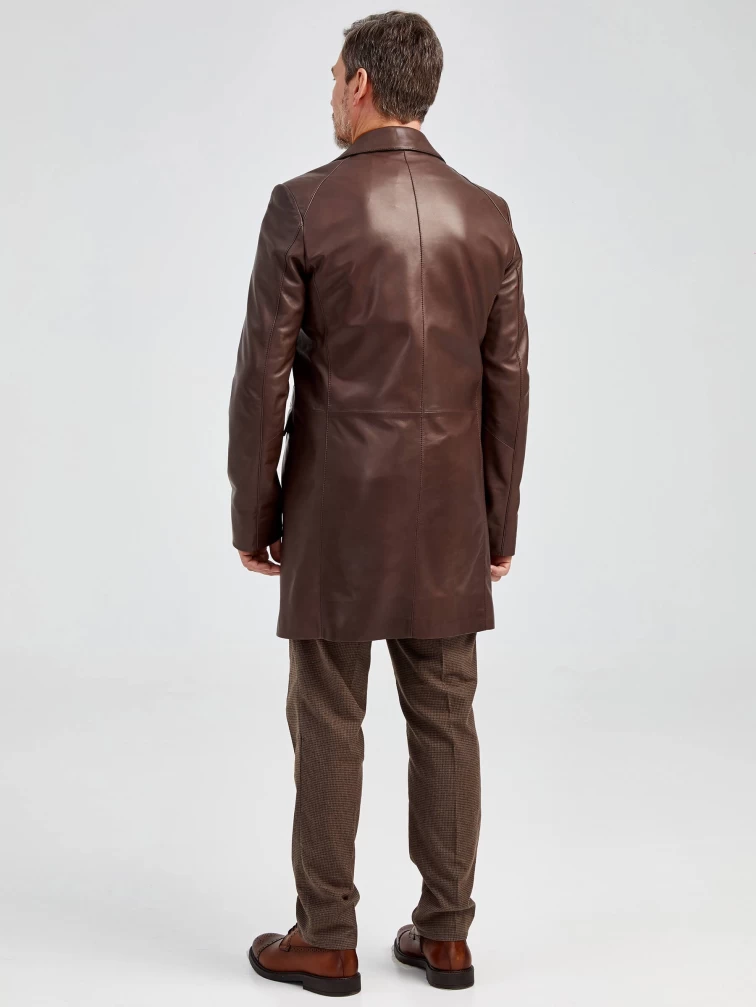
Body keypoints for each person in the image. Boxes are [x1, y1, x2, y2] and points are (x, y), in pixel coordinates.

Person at [228, 10, 530, 996]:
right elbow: (509, 382)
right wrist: (498, 521)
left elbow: (262, 379)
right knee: (446, 715)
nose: (330, 92)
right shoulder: (487, 215)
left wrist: (253, 513)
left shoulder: (302, 205)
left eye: (333, 77)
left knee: (328, 714)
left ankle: (326, 935)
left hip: (336, 513)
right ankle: (447, 935)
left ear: (360, 84)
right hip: (448, 517)